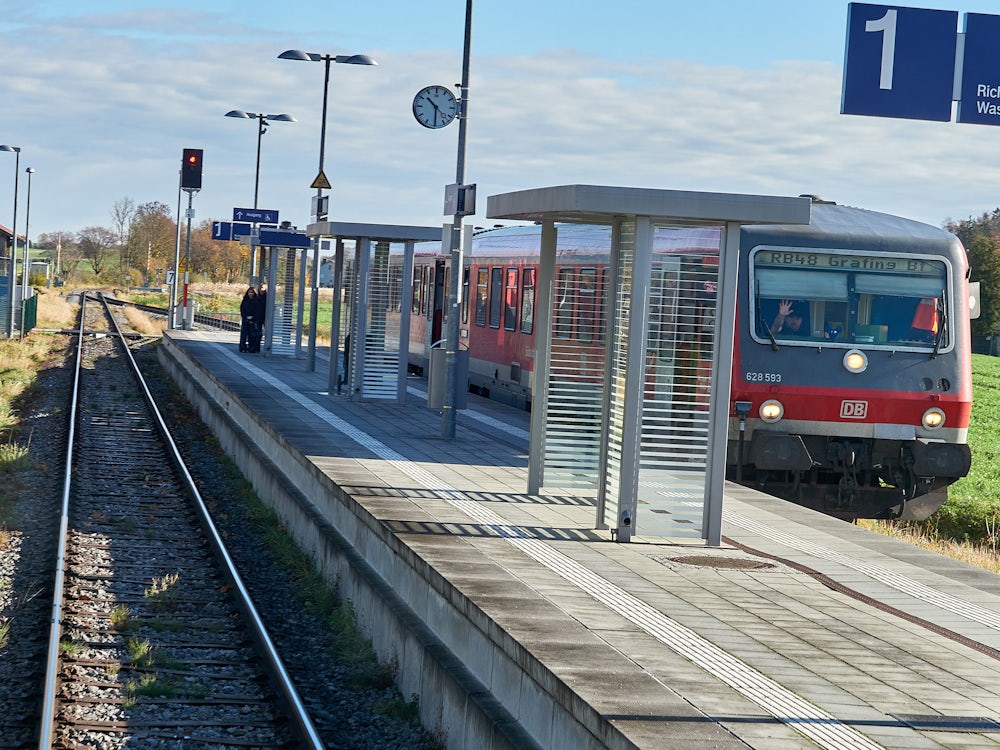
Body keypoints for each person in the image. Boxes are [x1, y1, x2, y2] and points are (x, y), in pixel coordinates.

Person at [249, 284, 267, 353]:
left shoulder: (267, 297)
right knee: (257, 333)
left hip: (265, 317)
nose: (261, 289)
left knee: (265, 332)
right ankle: (256, 347)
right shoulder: (257, 297)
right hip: (258, 317)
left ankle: (266, 347)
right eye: (260, 288)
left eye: (262, 287)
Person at [238, 287, 257, 352]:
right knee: (244, 334)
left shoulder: (256, 301)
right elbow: (242, 310)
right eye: (249, 292)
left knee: (252, 335)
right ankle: (243, 347)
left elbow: (258, 311)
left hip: (253, 320)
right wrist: (245, 318)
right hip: (245, 320)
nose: (251, 294)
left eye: (252, 292)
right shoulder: (245, 301)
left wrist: (253, 319)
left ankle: (251, 348)